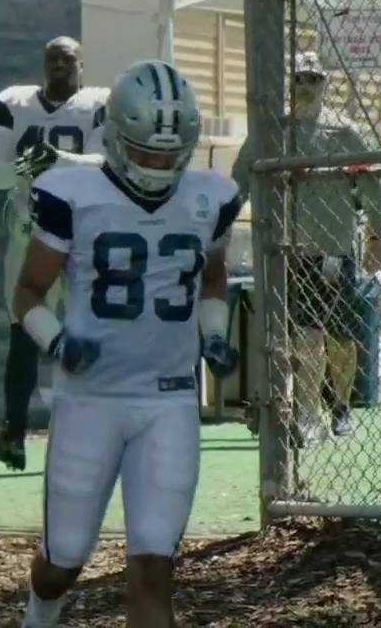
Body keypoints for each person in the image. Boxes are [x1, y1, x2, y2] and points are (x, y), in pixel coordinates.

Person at [13, 60, 241, 628]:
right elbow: (28, 293)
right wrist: (57, 340)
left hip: (169, 402)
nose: (161, 165)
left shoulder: (209, 197)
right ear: (115, 138)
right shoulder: (73, 192)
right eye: (147, 152)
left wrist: (214, 334)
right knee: (64, 559)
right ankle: (40, 611)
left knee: (153, 570)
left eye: (171, 153)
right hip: (90, 401)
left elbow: (212, 276)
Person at [231, 51, 381, 441]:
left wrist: (374, 236)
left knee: (339, 334)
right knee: (302, 333)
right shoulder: (272, 130)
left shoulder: (343, 131)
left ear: (325, 84)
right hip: (288, 247)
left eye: (314, 78)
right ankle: (303, 410)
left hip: (334, 245)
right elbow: (239, 178)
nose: (306, 85)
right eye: (299, 78)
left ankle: (341, 407)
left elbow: (370, 189)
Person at [0, 36, 109, 471]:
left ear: (81, 64)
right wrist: (29, 165)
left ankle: (91, 435)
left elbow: (106, 165)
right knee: (22, 330)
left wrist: (54, 159)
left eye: (67, 57)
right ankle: (14, 436)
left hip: (80, 230)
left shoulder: (96, 104)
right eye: (52, 57)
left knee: (85, 326)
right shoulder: (15, 103)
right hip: (29, 230)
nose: (58, 63)